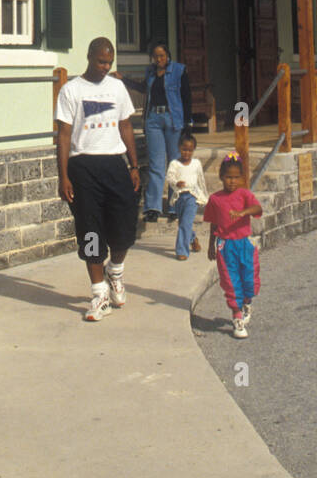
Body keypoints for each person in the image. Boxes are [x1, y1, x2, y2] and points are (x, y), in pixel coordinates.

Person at [55, 37, 140, 322]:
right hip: (83, 167)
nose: (105, 67)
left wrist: (134, 165)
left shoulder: (117, 88)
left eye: (109, 62)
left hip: (115, 164)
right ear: (90, 57)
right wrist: (63, 175)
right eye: (101, 61)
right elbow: (64, 135)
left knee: (124, 228)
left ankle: (115, 271)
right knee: (90, 231)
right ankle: (98, 293)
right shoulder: (71, 90)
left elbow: (126, 125)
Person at [204, 153, 262, 338]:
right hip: (225, 246)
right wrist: (211, 245)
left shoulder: (245, 194)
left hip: (244, 244)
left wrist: (243, 212)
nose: (232, 181)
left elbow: (258, 209)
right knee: (231, 281)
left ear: (242, 178)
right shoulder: (215, 199)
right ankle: (236, 317)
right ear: (221, 177)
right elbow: (214, 222)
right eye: (229, 177)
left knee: (249, 279)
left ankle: (246, 302)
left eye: (236, 177)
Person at [139, 40, 193, 224]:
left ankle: (173, 206)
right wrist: (123, 80)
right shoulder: (150, 72)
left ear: (168, 56)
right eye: (156, 56)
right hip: (153, 118)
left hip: (173, 119)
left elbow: (186, 96)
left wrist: (188, 122)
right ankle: (153, 208)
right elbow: (143, 89)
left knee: (174, 163)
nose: (159, 59)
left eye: (162, 56)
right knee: (156, 164)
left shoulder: (179, 70)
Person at [165, 133, 208, 260]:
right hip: (179, 197)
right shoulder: (174, 163)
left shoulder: (196, 163)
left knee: (185, 224)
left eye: (190, 150)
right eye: (184, 149)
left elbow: (201, 179)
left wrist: (204, 195)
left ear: (193, 150)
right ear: (179, 148)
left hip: (192, 197)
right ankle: (193, 238)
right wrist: (176, 183)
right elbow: (169, 177)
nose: (186, 153)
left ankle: (182, 251)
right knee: (183, 223)